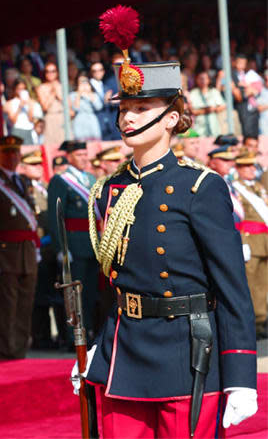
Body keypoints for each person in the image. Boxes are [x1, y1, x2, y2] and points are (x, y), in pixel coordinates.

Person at [80, 31, 257, 436]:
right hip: (123, 351)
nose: (128, 117)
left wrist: (242, 376)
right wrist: (96, 346)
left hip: (185, 353)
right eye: (124, 108)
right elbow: (111, 279)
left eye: (141, 108)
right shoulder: (110, 188)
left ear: (172, 118)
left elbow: (232, 289)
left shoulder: (200, 187)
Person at [0, 136, 39, 359]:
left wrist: (35, 246)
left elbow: (31, 217)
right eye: (7, 152)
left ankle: (20, 352)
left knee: (24, 308)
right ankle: (6, 354)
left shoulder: (25, 181)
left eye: (15, 152)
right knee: (6, 310)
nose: (12, 156)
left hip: (27, 254)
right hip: (4, 255)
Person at [47, 140, 99, 338]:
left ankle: (89, 330)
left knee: (90, 293)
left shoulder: (90, 179)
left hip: (92, 243)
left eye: (86, 154)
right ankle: (74, 336)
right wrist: (61, 248)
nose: (84, 158)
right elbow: (55, 216)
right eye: (79, 155)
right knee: (74, 293)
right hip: (74, 245)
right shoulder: (61, 181)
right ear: (69, 157)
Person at [22, 149, 67, 350]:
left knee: (56, 295)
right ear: (22, 167)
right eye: (32, 165)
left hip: (50, 249)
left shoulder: (45, 187)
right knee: (39, 298)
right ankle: (40, 337)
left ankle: (58, 336)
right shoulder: (24, 190)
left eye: (39, 164)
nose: (38, 168)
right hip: (37, 248)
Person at [232, 149, 268, 339]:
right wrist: (243, 243)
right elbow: (240, 218)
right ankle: (253, 324)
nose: (251, 169)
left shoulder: (257, 188)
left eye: (252, 165)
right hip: (250, 241)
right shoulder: (236, 188)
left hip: (263, 241)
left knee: (263, 284)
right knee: (252, 285)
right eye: (246, 166)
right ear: (238, 168)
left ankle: (262, 321)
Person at [5, 79, 44, 145]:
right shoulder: (10, 103)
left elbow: (32, 120)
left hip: (29, 131)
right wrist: (20, 107)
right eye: (19, 89)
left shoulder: (31, 102)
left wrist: (30, 106)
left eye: (23, 89)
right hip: (17, 130)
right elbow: (13, 121)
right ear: (15, 89)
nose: (21, 91)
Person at [188, 70, 225, 137]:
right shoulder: (193, 93)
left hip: (213, 128)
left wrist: (214, 109)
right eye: (201, 78)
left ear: (209, 80)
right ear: (196, 80)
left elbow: (223, 106)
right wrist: (206, 110)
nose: (203, 80)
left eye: (205, 78)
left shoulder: (214, 91)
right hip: (199, 128)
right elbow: (192, 111)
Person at [37, 62, 65, 147]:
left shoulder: (62, 86)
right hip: (50, 118)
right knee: (51, 145)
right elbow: (44, 107)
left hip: (62, 117)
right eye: (48, 71)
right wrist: (52, 92)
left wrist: (58, 92)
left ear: (57, 73)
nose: (50, 74)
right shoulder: (41, 87)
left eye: (53, 71)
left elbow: (68, 105)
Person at [70, 74, 103, 140]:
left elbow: (99, 107)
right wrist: (79, 93)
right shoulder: (73, 95)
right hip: (79, 120)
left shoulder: (93, 94)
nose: (83, 84)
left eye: (85, 81)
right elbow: (75, 108)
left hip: (91, 120)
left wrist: (89, 93)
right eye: (81, 82)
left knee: (94, 141)